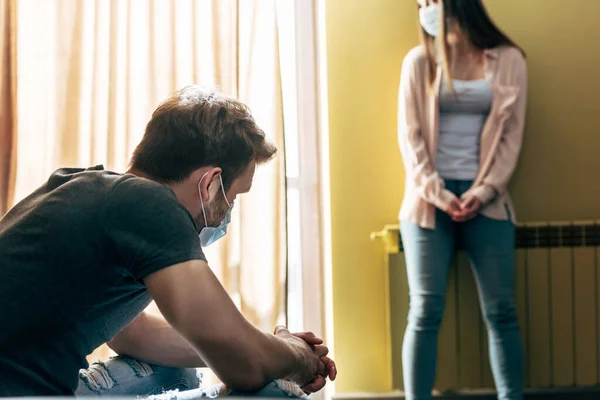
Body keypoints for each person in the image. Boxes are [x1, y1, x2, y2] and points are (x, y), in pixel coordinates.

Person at [0, 86, 336, 397]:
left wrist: (265, 345)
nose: (228, 213)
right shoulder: (152, 204)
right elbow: (244, 365)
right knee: (271, 390)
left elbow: (134, 335)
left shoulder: (81, 187)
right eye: (234, 197)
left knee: (181, 374)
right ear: (210, 184)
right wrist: (296, 358)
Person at [397, 1, 527, 399]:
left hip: (487, 199)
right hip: (427, 204)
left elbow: (512, 138)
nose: (424, 9)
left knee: (502, 311)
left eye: (430, 1)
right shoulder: (419, 61)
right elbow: (410, 137)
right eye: (420, 4)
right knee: (424, 312)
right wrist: (438, 192)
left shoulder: (509, 60)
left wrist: (482, 191)